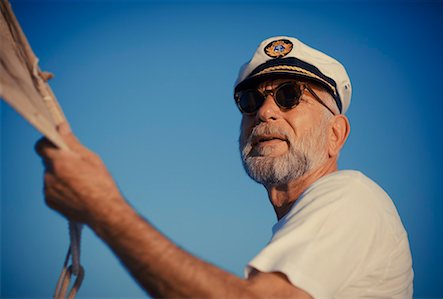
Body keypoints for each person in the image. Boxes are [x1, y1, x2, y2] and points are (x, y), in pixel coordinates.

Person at [36, 36, 413, 298]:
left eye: (289, 96)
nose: (265, 112)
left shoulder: (352, 197)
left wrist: (103, 209)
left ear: (336, 134)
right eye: (250, 100)